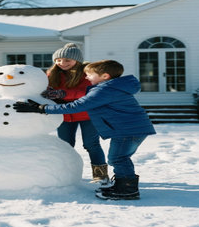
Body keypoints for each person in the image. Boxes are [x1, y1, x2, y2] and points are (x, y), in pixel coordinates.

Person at [13, 60, 156, 200]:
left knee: (118, 158)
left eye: (90, 74)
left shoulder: (105, 90)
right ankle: (122, 185)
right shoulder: (112, 88)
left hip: (128, 130)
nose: (86, 77)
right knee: (119, 158)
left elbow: (76, 106)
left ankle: (127, 190)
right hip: (130, 129)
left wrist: (42, 108)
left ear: (105, 76)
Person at [42, 43, 108, 184]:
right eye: (58, 60)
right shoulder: (51, 74)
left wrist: (63, 93)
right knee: (65, 145)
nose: (62, 63)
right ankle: (65, 174)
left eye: (67, 60)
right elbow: (44, 89)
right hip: (65, 115)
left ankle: (100, 176)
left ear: (77, 60)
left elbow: (88, 91)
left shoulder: (88, 73)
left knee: (91, 145)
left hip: (87, 115)